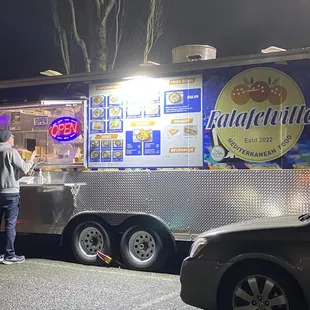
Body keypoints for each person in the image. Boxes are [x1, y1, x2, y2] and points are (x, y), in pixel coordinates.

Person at [0, 129, 36, 264]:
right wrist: (31, 160)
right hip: (10, 193)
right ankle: (9, 255)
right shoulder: (11, 152)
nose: (13, 139)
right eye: (12, 137)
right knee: (10, 225)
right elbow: (25, 169)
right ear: (8, 139)